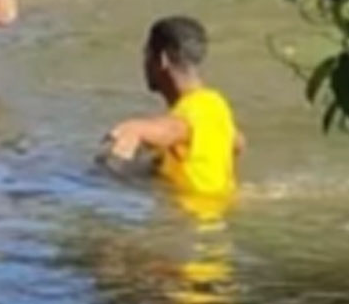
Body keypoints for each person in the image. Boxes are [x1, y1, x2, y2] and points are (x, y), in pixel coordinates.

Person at [99, 16, 246, 199]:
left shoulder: (192, 112)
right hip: (213, 216)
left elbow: (171, 129)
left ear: (162, 59)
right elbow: (237, 143)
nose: (144, 64)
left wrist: (127, 135)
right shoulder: (215, 105)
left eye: (147, 55)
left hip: (189, 222)